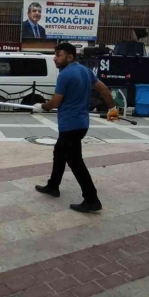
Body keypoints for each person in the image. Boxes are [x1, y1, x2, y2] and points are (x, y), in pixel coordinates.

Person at [33, 43, 119, 213]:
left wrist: (41, 107)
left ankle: (91, 199)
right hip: (81, 124)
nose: (54, 58)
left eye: (58, 55)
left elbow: (56, 102)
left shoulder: (65, 75)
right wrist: (112, 110)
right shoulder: (85, 71)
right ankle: (53, 186)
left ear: (70, 57)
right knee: (59, 152)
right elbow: (105, 91)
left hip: (70, 125)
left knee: (75, 162)